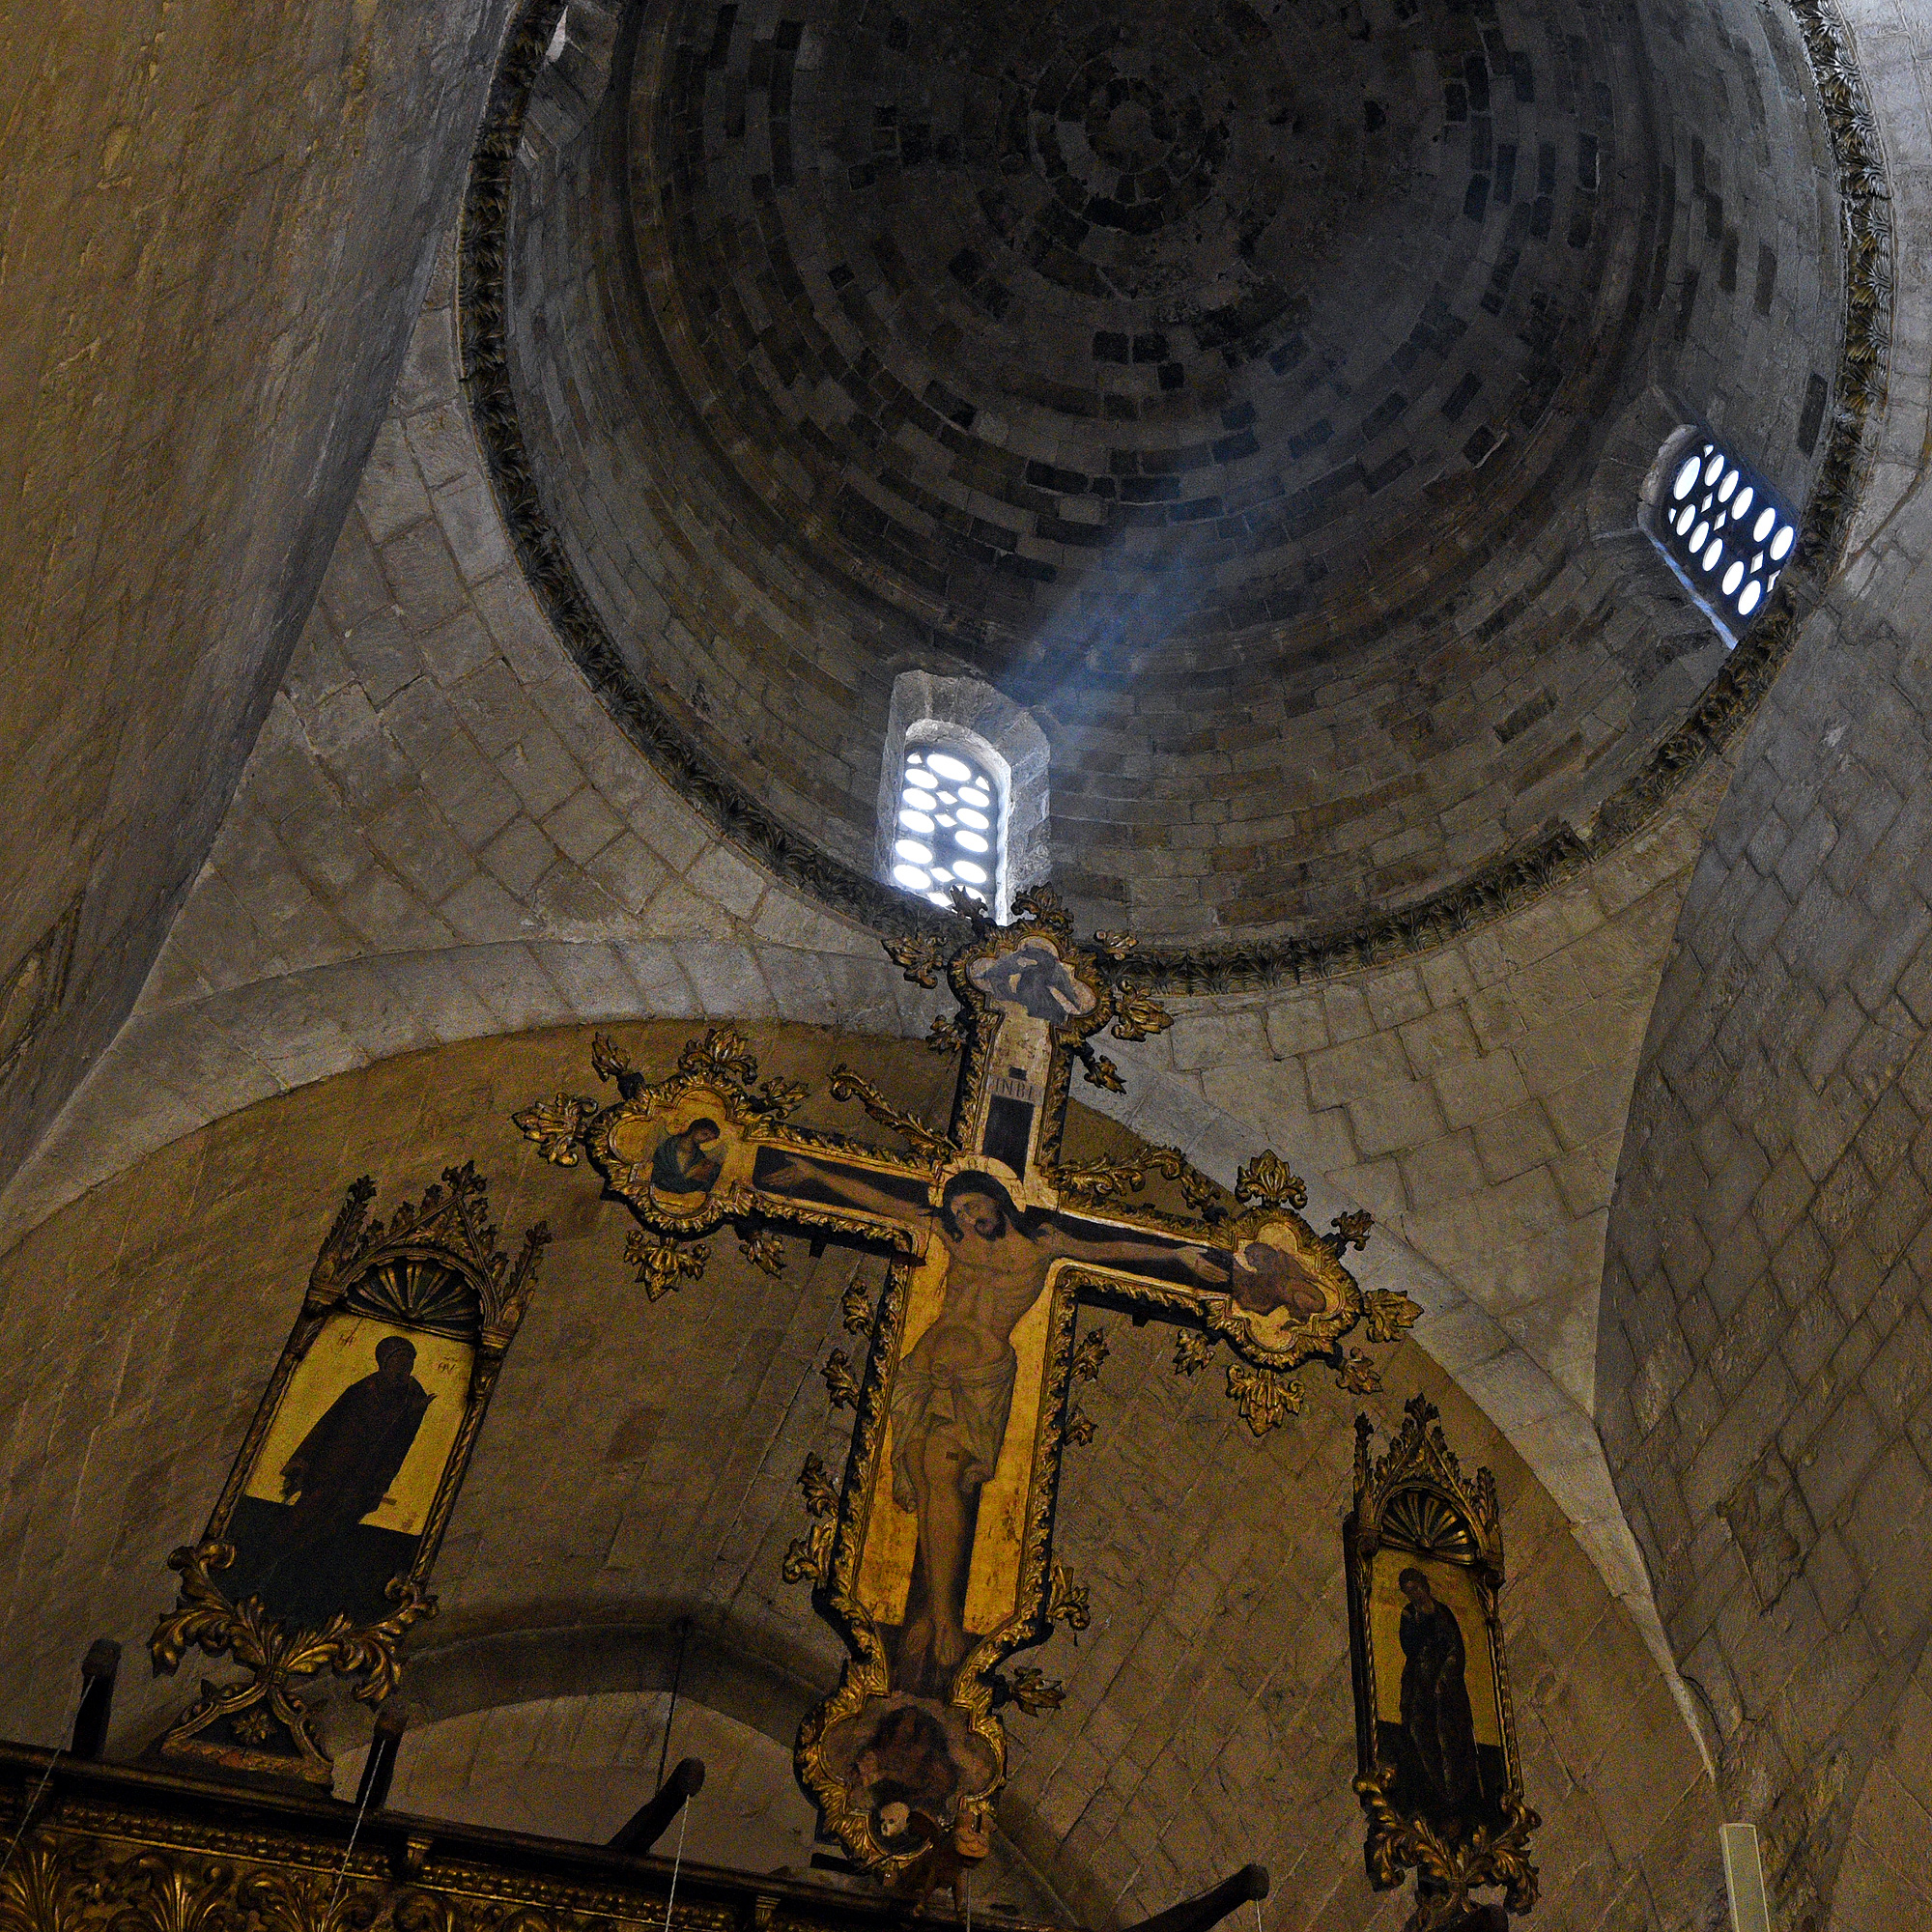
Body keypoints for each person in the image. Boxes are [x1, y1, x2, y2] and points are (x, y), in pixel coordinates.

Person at [760, 1161, 1226, 1693]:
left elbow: (1109, 1250)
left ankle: (944, 1620)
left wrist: (1175, 1255)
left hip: (978, 1380)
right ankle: (931, 1615)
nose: (969, 1216)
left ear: (996, 1200)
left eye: (975, 1205)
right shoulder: (954, 1242)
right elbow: (880, 1200)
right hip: (923, 1369)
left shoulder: (1043, 1244)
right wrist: (806, 1173)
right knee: (920, 1473)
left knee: (945, 1480)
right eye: (959, 1210)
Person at [278, 1334, 433, 1546]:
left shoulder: (413, 1394)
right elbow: (327, 1425)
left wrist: (412, 1415)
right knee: (306, 1513)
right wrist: (303, 1459)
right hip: (333, 1466)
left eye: (408, 1361)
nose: (404, 1367)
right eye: (399, 1360)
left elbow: (400, 1440)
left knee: (340, 1522)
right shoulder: (363, 1390)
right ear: (385, 1362)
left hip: (369, 1474)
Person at [1397, 1566, 1485, 1821]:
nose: (1414, 1594)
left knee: (1450, 1733)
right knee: (1419, 1728)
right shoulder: (1409, 1614)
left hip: (1446, 1686)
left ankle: (1455, 1792)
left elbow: (1456, 1648)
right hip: (1420, 1682)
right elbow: (1408, 1646)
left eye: (1416, 1587)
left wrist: (1445, 1676)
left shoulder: (1443, 1613)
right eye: (1408, 1591)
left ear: (1424, 1584)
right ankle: (1432, 1789)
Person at [972, 941, 1093, 1024]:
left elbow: (1064, 985)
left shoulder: (1047, 966)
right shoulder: (1021, 961)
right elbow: (1003, 967)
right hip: (1029, 997)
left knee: (1056, 1014)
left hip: (1040, 999)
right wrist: (984, 974)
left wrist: (1075, 1003)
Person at [1226, 1236, 1330, 1320]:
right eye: (1250, 1257)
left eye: (1256, 1257)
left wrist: (1248, 1304)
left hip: (1315, 1301)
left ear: (1267, 1258)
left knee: (1298, 1296)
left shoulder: (1278, 1274)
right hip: (1299, 1296)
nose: (1251, 1261)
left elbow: (1267, 1306)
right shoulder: (1271, 1276)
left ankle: (1303, 1315)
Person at [651, 1118, 723, 1199]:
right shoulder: (667, 1147)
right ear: (694, 1129)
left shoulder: (699, 1157)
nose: (704, 1140)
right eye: (704, 1134)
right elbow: (657, 1177)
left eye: (709, 1139)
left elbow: (700, 1187)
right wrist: (687, 1176)